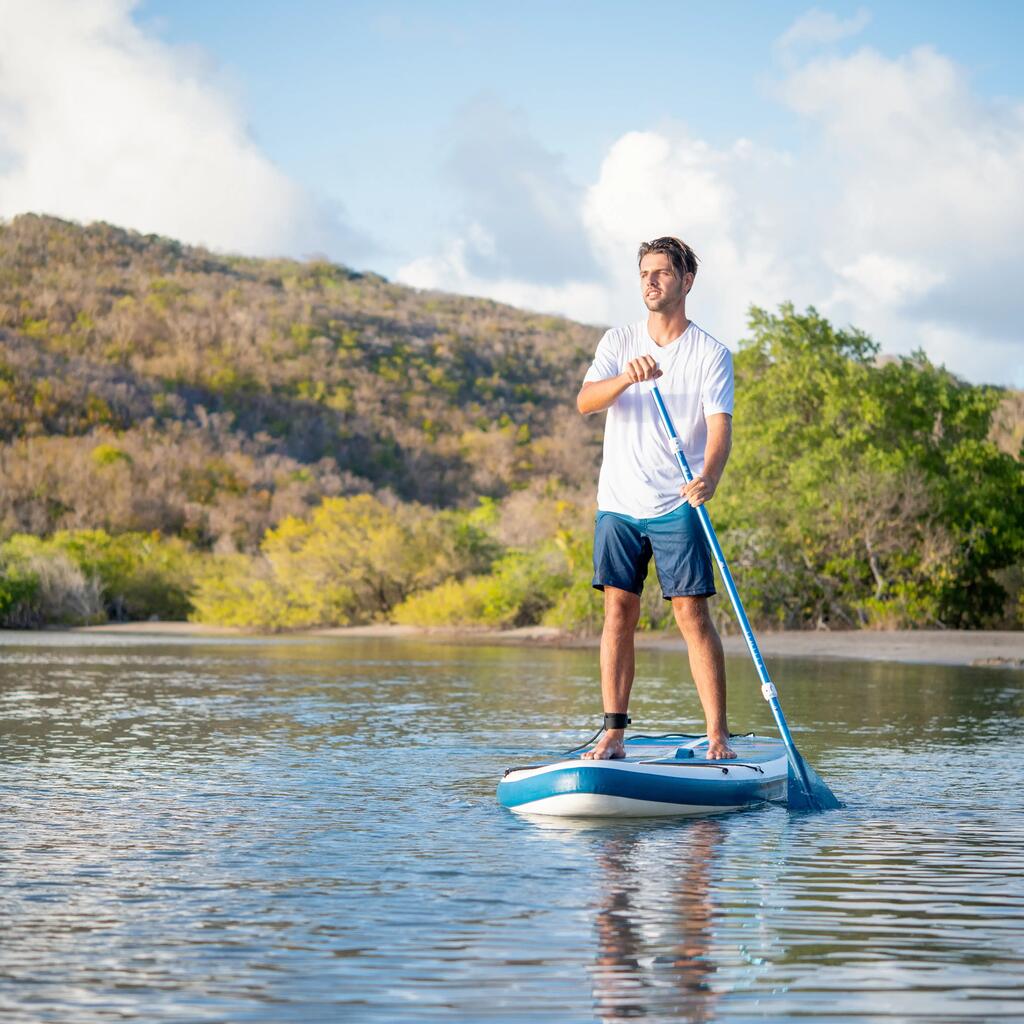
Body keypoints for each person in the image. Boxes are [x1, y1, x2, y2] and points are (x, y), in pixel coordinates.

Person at [576, 236, 736, 761]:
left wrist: (708, 477)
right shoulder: (618, 341)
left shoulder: (710, 354)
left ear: (686, 282)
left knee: (692, 615)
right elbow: (585, 402)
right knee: (618, 613)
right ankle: (614, 733)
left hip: (675, 504)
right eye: (645, 272)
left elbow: (719, 429)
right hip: (619, 501)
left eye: (662, 273)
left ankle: (717, 738)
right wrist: (626, 376)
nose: (651, 281)